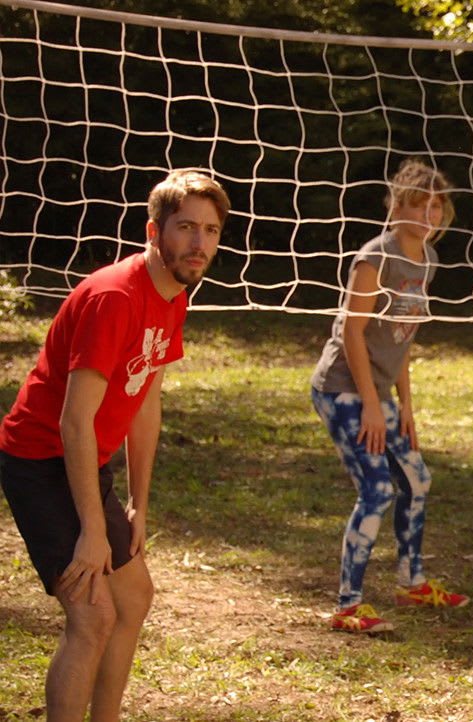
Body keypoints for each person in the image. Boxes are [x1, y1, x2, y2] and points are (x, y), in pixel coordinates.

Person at [0, 170, 229, 721]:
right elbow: (73, 423)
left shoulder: (173, 295)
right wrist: (92, 533)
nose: (199, 244)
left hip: (82, 460)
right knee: (93, 617)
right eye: (186, 228)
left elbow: (145, 400)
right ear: (155, 231)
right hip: (40, 458)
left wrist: (138, 504)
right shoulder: (114, 298)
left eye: (211, 230)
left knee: (134, 598)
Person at [310, 158, 468, 633]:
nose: (428, 217)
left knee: (417, 480)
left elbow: (405, 337)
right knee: (377, 490)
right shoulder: (374, 258)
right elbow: (354, 334)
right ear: (397, 207)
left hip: (379, 393)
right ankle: (347, 605)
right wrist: (373, 408)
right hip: (341, 389)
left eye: (436, 208)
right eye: (419, 207)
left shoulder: (429, 261)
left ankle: (411, 582)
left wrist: (405, 410)